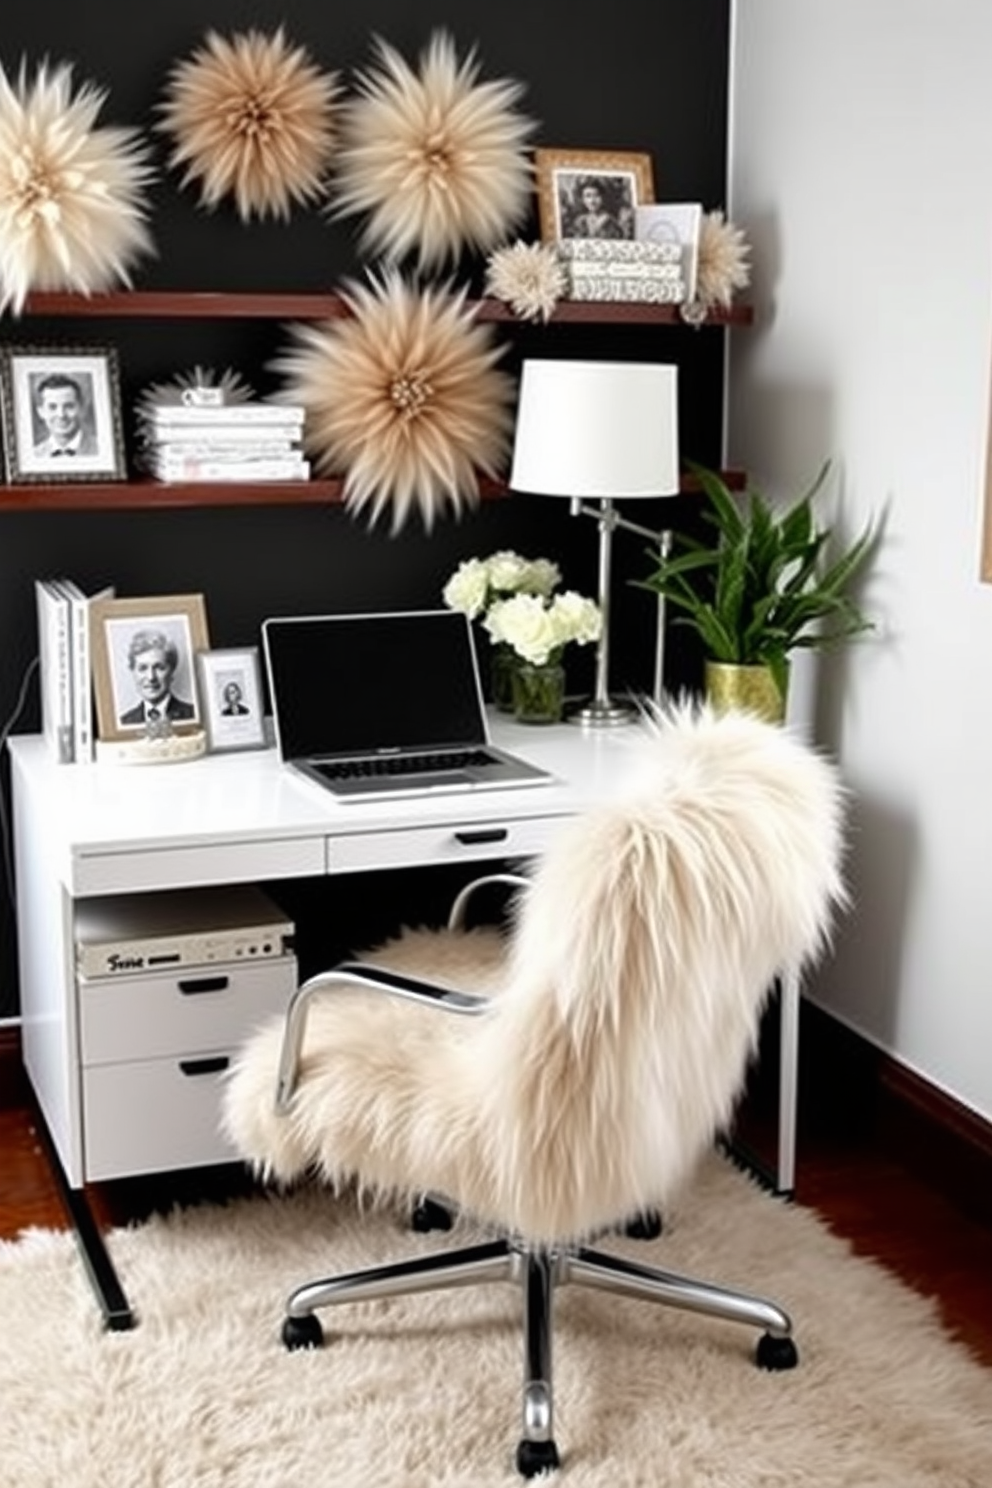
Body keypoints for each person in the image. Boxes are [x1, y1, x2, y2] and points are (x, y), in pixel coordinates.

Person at [119, 629, 196, 726]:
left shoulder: (193, 715)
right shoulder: (124, 722)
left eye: (159, 668)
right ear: (133, 671)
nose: (151, 677)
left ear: (172, 671)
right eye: (143, 668)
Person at [32, 373, 98, 459]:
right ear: (40, 412)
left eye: (69, 406)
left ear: (81, 408)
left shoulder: (101, 449)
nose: (61, 415)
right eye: (52, 407)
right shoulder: (34, 455)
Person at [565, 178, 632, 240]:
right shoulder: (580, 222)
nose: (592, 201)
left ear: (602, 197)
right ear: (583, 199)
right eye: (588, 196)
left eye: (596, 195)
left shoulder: (611, 222)